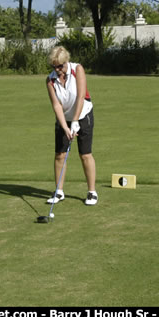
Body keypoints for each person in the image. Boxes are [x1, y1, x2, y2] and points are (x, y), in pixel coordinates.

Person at [45, 46, 97, 206]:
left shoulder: (77, 69)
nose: (58, 69)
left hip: (83, 115)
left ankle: (92, 192)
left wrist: (75, 121)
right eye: (54, 66)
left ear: (66, 61)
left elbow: (81, 96)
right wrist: (66, 127)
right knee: (60, 154)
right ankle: (59, 192)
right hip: (64, 119)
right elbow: (56, 106)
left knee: (85, 154)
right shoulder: (50, 80)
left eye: (60, 66)